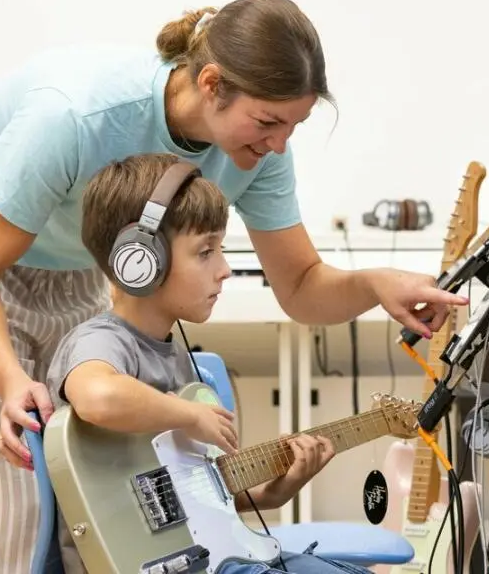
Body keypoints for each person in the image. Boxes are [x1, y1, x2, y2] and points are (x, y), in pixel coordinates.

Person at [0, 0, 467, 573]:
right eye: (267, 122)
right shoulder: (74, 115)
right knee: (14, 519)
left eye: (295, 125)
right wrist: (11, 381)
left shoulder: (260, 149)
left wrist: (374, 283)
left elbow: (301, 285)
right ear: (212, 83)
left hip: (76, 269)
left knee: (94, 500)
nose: (279, 145)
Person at [46, 152, 367, 574]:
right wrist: (188, 414)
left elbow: (190, 501)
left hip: (199, 558)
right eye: (205, 252)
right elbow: (98, 396)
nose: (225, 269)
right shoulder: (104, 341)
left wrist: (275, 491)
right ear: (142, 262)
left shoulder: (177, 358)